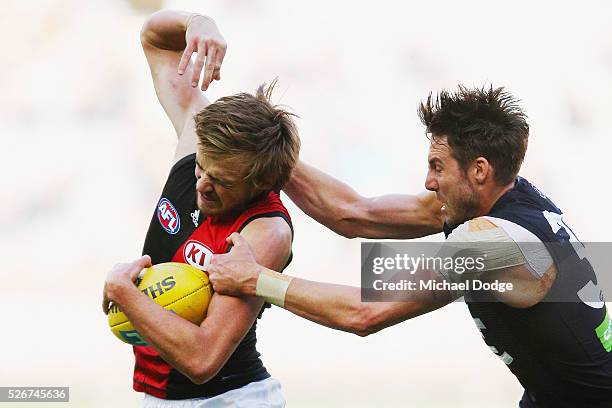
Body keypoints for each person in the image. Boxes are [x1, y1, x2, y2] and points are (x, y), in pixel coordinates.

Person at [207, 86, 612, 407]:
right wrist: (269, 150)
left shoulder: (491, 246)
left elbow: (366, 312)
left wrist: (257, 279)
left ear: (479, 170)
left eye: (437, 167)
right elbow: (354, 213)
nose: (428, 182)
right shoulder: (496, 199)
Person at [102, 9, 300, 407]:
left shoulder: (265, 231)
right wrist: (199, 22)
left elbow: (203, 358)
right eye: (200, 167)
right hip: (160, 396)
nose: (201, 185)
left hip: (229, 398)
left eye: (222, 182)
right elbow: (155, 40)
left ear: (260, 183)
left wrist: (126, 294)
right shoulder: (201, 143)